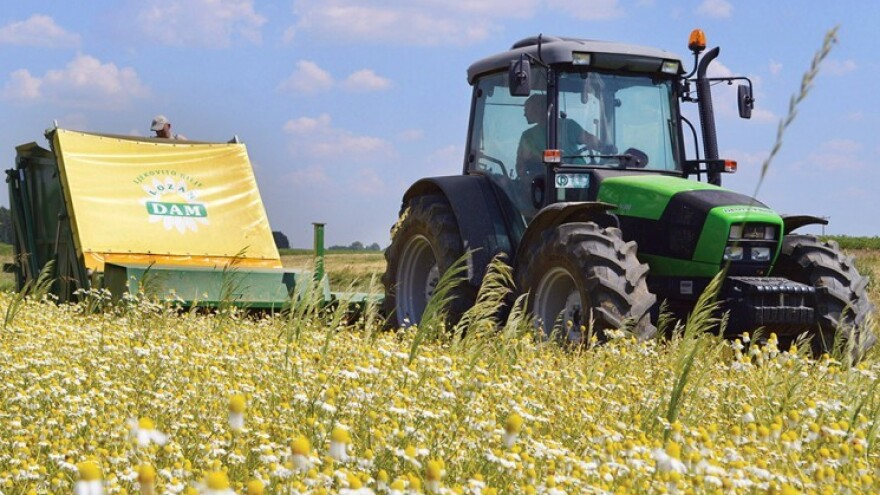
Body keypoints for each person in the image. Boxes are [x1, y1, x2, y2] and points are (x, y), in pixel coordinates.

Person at [515, 93, 603, 179]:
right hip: (545, 180)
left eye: (526, 109)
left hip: (576, 175)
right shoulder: (527, 136)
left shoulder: (568, 126)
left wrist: (602, 146)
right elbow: (520, 166)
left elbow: (588, 139)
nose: (525, 114)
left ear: (538, 108)